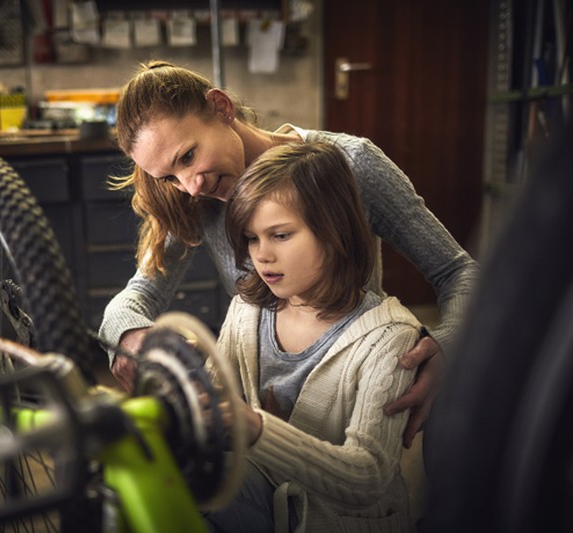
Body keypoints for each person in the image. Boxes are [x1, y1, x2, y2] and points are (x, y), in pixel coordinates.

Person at [99, 60, 479, 448]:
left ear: (222, 108)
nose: (189, 187)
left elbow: (459, 271)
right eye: (169, 177)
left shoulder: (351, 163)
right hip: (260, 418)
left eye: (187, 156)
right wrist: (129, 334)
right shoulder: (195, 195)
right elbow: (135, 296)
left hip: (348, 398)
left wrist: (450, 344)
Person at [202, 140, 421, 532]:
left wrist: (257, 429)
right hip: (260, 500)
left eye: (280, 235)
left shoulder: (390, 338)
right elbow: (213, 410)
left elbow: (367, 477)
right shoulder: (246, 311)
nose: (262, 255)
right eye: (252, 238)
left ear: (333, 231)